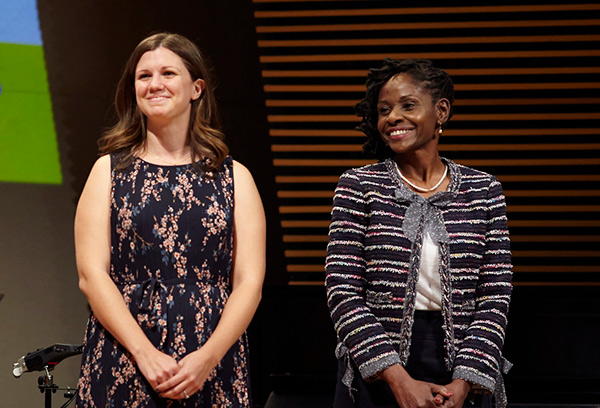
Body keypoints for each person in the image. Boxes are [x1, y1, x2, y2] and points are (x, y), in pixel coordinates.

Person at [74, 32, 265, 407]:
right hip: (125, 353)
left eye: (167, 73)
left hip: (210, 356)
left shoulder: (234, 176)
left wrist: (207, 358)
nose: (155, 84)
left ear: (196, 88)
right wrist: (144, 354)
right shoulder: (107, 172)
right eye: (144, 76)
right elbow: (91, 276)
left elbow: (249, 282)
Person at [325, 59, 512, 408]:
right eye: (384, 110)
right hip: (378, 365)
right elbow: (343, 291)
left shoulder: (483, 189)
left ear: (440, 111)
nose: (392, 117)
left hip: (462, 364)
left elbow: (495, 294)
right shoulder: (359, 186)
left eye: (407, 105)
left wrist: (466, 380)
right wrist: (396, 377)